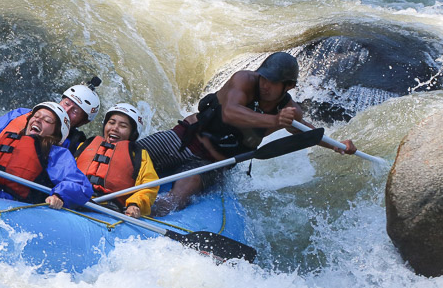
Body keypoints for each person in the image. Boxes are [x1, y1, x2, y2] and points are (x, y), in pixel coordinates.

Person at [137, 52, 357, 215]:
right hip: (185, 139)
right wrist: (275, 120)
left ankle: (146, 213)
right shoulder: (243, 80)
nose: (265, 85)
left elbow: (305, 131)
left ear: (288, 86)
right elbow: (231, 112)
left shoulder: (289, 111)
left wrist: (336, 145)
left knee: (181, 194)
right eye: (264, 78)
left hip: (210, 164)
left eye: (273, 82)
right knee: (130, 154)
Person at [0, 102, 93, 209]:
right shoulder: (5, 141)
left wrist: (59, 196)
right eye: (36, 116)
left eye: (47, 120)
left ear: (56, 132)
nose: (37, 120)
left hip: (13, 205)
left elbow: (81, 185)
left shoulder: (56, 154)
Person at [74, 103, 159, 218]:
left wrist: (135, 204)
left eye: (123, 126)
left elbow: (149, 185)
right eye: (111, 122)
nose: (114, 128)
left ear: (132, 133)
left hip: (109, 207)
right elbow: (68, 171)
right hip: (75, 197)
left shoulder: (138, 154)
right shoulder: (86, 145)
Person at [0, 79, 101, 154]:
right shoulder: (22, 114)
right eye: (66, 103)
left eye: (74, 111)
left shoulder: (73, 146)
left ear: (83, 122)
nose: (66, 110)